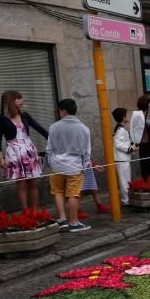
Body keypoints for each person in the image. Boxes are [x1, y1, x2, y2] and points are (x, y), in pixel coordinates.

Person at [0, 90, 48, 211]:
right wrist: (0, 158)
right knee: (21, 184)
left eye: (21, 98)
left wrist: (53, 140)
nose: (20, 101)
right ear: (10, 101)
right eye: (17, 98)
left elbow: (40, 129)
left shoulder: (25, 116)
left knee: (32, 182)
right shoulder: (2, 118)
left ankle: (34, 211)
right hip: (14, 151)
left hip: (28, 149)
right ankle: (26, 212)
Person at [46, 98, 90, 232]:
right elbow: (87, 152)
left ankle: (62, 219)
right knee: (73, 194)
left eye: (59, 110)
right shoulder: (84, 128)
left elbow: (49, 148)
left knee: (58, 191)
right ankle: (74, 222)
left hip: (57, 165)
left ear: (63, 111)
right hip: (75, 165)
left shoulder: (53, 127)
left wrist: (52, 162)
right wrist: (85, 165)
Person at [130, 94, 150, 180]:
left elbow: (132, 128)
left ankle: (146, 182)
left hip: (142, 143)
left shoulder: (136, 114)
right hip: (149, 143)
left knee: (145, 165)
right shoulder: (146, 114)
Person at [112, 107, 134, 205]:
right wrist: (130, 149)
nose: (127, 117)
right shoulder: (121, 130)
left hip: (123, 158)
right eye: (126, 115)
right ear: (123, 117)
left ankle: (127, 198)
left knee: (125, 179)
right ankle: (126, 199)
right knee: (124, 180)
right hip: (122, 159)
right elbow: (118, 144)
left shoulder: (120, 129)